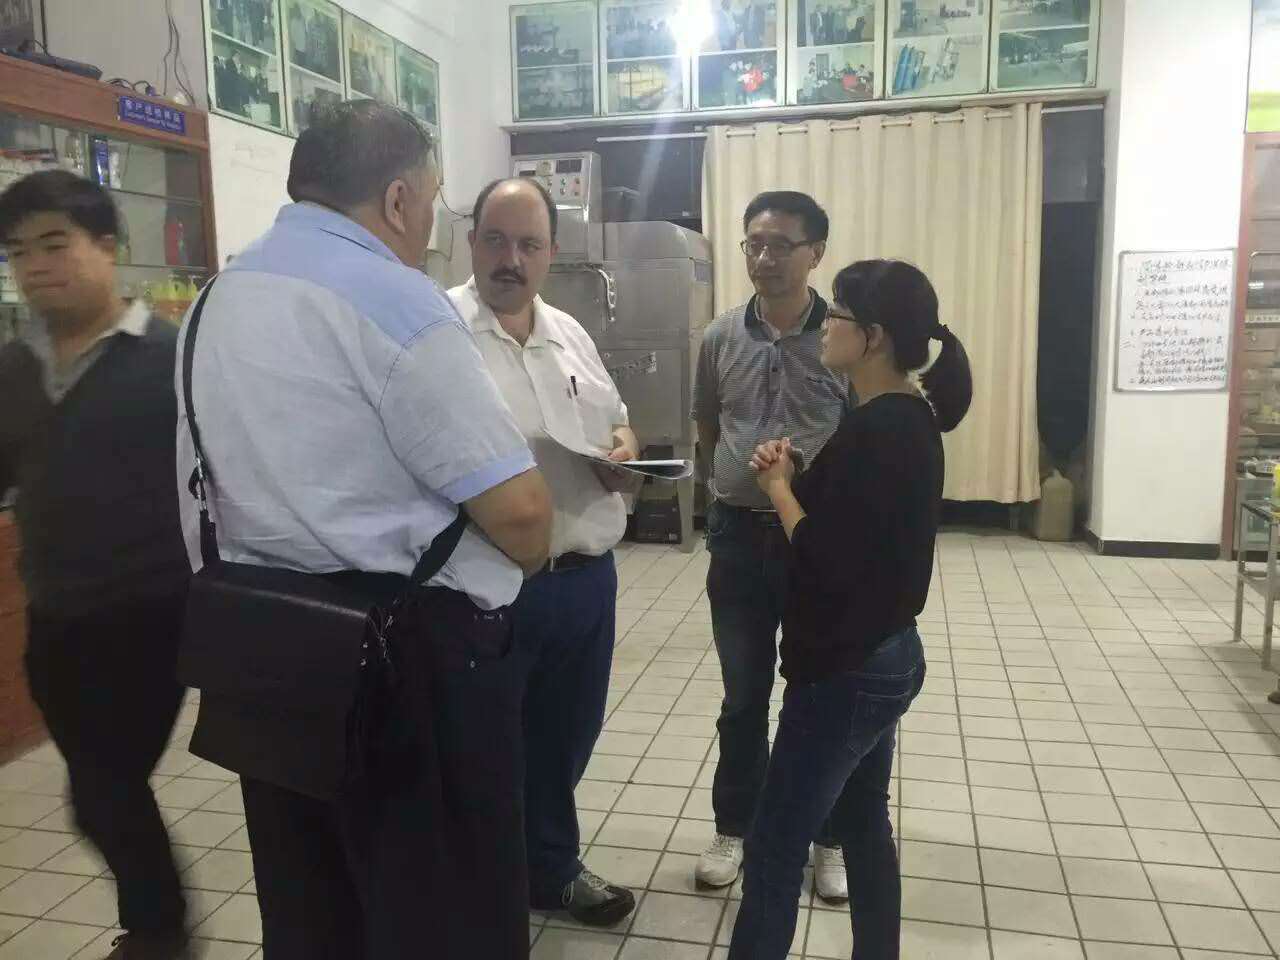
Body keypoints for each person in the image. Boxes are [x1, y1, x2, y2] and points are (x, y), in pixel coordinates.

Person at [175, 100, 552, 959]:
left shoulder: (217, 298)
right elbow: (523, 515)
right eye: (434, 200)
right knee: (443, 916)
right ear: (397, 199)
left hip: (269, 648)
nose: (433, 224)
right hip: (412, 661)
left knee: (311, 907)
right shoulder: (394, 299)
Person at [728, 260, 973, 960]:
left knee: (775, 844)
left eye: (836, 314)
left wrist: (779, 489)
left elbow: (824, 558)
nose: (824, 326)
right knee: (863, 821)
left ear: (873, 336)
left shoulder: (880, 429)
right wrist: (799, 475)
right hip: (884, 652)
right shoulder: (903, 417)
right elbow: (861, 527)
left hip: (847, 670)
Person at [0, 171, 191, 960]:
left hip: (151, 620)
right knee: (100, 792)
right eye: (19, 252)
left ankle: (158, 934)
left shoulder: (168, 360)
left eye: (55, 244)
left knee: (105, 791)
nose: (36, 266)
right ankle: (157, 926)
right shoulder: (14, 367)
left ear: (107, 248)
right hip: (55, 619)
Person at [450, 177, 642, 928]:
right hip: (491, 586)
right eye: (496, 240)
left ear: (551, 254)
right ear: (472, 242)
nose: (511, 259)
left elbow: (618, 421)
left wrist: (624, 450)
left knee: (564, 740)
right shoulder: (440, 333)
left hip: (586, 579)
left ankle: (550, 870)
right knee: (487, 749)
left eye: (528, 244)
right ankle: (487, 890)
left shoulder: (569, 333)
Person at [690, 191, 848, 901]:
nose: (764, 257)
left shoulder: (843, 338)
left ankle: (829, 837)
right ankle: (735, 828)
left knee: (823, 696)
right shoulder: (721, 335)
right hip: (737, 538)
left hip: (815, 542)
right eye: (754, 243)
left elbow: (862, 433)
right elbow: (707, 421)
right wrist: (727, 484)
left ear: (816, 253)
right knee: (743, 697)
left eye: (781, 245)